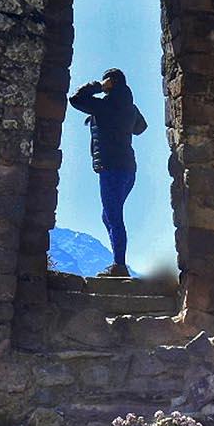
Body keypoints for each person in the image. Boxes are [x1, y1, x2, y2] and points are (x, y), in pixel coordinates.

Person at [68, 68, 147, 277]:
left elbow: (75, 99)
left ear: (110, 82)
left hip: (111, 168)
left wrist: (97, 86)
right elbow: (141, 127)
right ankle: (118, 263)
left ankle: (119, 266)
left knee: (113, 216)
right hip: (129, 169)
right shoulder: (130, 108)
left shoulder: (104, 106)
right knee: (108, 215)